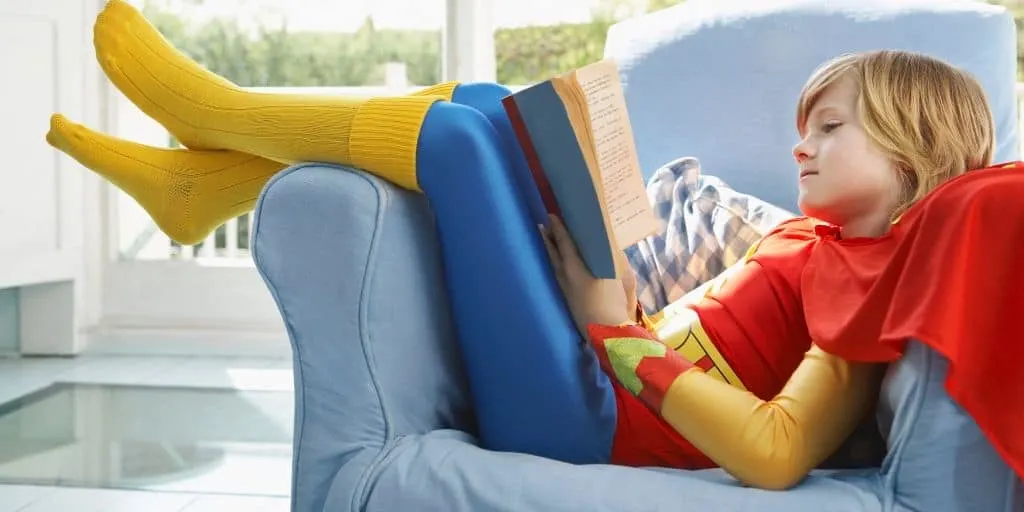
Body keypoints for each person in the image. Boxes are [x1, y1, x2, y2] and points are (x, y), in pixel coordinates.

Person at [48, 0, 1024, 490]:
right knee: (484, 108)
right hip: (597, 369)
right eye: (803, 124)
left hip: (589, 412)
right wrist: (622, 281)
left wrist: (616, 337)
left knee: (457, 134)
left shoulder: (873, 284)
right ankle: (197, 188)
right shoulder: (814, 236)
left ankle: (215, 121)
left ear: (912, 148)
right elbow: (713, 326)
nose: (797, 145)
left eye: (830, 128)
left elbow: (774, 455)